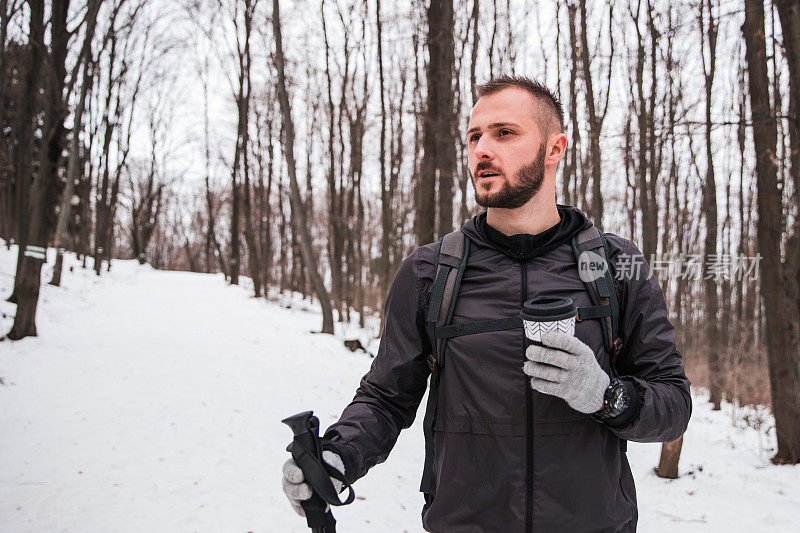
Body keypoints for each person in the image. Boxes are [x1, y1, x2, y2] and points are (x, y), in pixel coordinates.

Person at [282, 75, 692, 532]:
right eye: (474, 136)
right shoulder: (428, 272)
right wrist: (340, 454)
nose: (481, 149)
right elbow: (386, 397)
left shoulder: (616, 266)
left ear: (555, 148)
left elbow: (673, 402)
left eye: (505, 133)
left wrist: (607, 396)